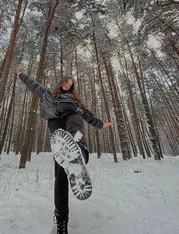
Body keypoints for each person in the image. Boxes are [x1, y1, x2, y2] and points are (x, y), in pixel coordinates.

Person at [16, 65, 112, 234]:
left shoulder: (75, 102)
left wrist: (101, 124)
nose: (68, 85)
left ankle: (79, 152)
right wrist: (21, 75)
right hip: (57, 129)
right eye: (66, 82)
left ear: (72, 88)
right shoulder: (47, 94)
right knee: (60, 175)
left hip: (72, 125)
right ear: (60, 83)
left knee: (75, 119)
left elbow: (87, 114)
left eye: (70, 84)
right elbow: (33, 85)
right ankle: (61, 220)